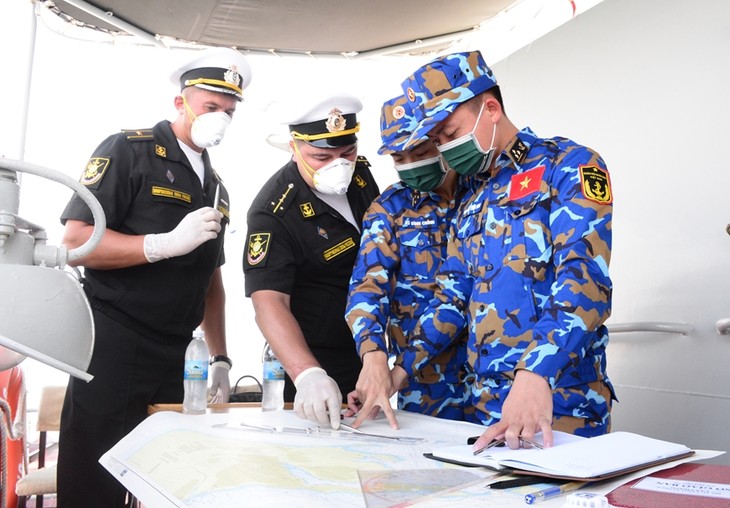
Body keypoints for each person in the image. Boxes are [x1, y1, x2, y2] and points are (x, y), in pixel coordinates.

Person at [352, 50, 616, 449]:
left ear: (490, 109)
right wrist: (397, 373)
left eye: (447, 133)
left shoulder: (567, 166)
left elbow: (585, 282)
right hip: (486, 407)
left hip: (559, 401)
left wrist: (535, 374)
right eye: (436, 141)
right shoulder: (475, 195)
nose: (442, 148)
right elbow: (452, 298)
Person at [58, 47, 251, 507]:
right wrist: (158, 244)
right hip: (115, 340)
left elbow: (211, 280)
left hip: (179, 353)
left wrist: (221, 357)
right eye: (210, 107)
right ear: (180, 102)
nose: (220, 119)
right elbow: (74, 242)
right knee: (95, 482)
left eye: (229, 111)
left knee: (168, 483)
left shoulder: (217, 185)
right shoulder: (129, 150)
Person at [243, 94, 380, 429]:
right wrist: (307, 373)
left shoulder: (359, 177)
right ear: (294, 148)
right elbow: (269, 302)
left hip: (367, 350)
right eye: (321, 156)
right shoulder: (274, 210)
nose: (339, 164)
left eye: (347, 152)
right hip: (311, 358)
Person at [345, 95, 470, 423]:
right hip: (425, 384)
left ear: (441, 141)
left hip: (493, 379)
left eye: (420, 152)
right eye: (399, 157)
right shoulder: (390, 208)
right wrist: (373, 358)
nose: (411, 164)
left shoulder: (482, 194)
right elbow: (367, 286)